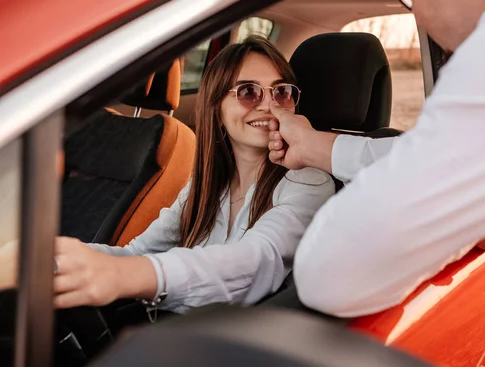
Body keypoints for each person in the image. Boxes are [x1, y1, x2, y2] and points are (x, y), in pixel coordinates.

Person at [267, 0, 485, 335]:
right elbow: (449, 152)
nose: (416, 12)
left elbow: (329, 271)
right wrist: (311, 145)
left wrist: (474, 217)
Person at [24, 35, 333, 314]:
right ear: (217, 110)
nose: (269, 105)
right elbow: (136, 252)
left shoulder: (307, 181)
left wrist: (126, 277)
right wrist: (47, 257)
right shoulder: (208, 184)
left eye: (281, 92)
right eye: (248, 92)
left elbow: (255, 260)